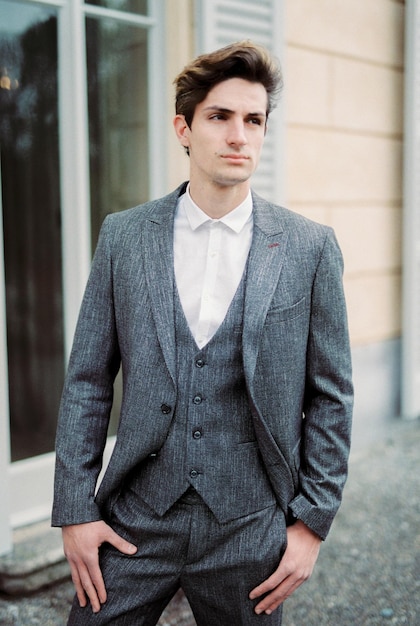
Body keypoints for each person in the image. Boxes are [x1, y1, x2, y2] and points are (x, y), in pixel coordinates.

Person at [52, 40, 353, 625]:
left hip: (250, 527)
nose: (239, 135)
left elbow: (331, 396)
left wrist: (312, 523)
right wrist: (74, 510)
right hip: (136, 519)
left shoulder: (309, 248)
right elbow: (88, 379)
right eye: (219, 117)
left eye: (254, 120)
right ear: (183, 128)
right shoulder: (125, 237)